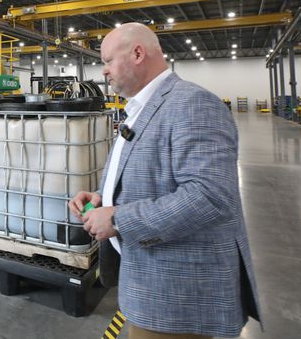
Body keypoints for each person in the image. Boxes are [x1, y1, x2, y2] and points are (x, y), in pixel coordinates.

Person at [69, 23, 260, 338]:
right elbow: (144, 171)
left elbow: (211, 197)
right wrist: (102, 196)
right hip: (148, 281)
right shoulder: (142, 110)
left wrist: (117, 218)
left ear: (138, 53)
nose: (103, 71)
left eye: (106, 60)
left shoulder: (192, 104)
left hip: (178, 300)